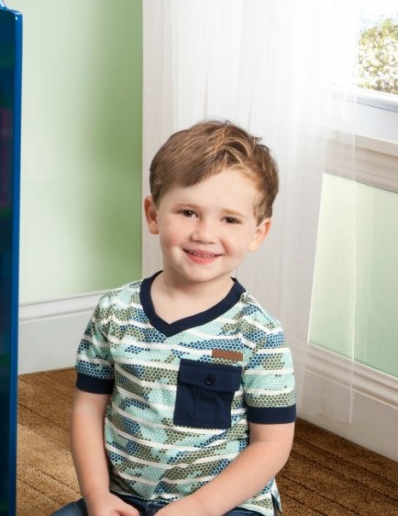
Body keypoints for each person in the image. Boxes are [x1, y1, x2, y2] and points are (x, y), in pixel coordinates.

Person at [54, 120, 296, 516]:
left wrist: (200, 507)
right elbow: (87, 410)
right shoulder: (115, 312)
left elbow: (271, 445)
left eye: (229, 220)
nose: (204, 233)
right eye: (188, 212)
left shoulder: (259, 334)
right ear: (153, 214)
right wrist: (97, 496)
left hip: (225, 505)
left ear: (258, 233)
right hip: (123, 498)